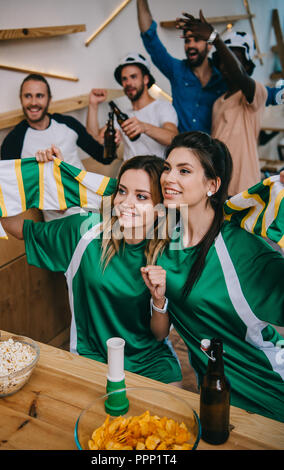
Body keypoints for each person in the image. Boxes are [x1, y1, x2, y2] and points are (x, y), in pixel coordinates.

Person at [0, 152, 183, 386]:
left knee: (177, 418)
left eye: (141, 196)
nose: (125, 203)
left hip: (152, 363)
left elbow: (160, 334)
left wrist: (158, 299)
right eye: (122, 191)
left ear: (159, 208)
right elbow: (19, 228)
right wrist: (9, 184)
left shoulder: (171, 254)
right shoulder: (85, 232)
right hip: (93, 358)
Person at [140, 131, 284, 423]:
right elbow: (160, 333)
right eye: (167, 168)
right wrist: (158, 300)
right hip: (215, 395)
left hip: (267, 387)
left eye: (184, 171)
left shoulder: (242, 247)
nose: (168, 178)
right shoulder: (163, 243)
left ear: (212, 185)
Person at [136, 0, 283, 135]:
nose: (191, 45)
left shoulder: (224, 75)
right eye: (187, 40)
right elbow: (150, 38)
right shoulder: (177, 70)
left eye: (197, 39)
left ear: (209, 44)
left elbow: (263, 94)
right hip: (180, 153)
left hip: (212, 158)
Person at [0, 74, 117, 221]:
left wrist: (113, 144)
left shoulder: (68, 124)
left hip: (89, 208)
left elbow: (103, 157)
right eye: (28, 96)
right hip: (57, 221)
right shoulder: (13, 142)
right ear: (21, 99)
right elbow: (11, 190)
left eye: (40, 96)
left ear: (49, 98)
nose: (34, 102)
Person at [176, 13, 267, 195]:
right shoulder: (218, 102)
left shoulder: (254, 93)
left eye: (235, 59)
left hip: (246, 187)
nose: (227, 64)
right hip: (219, 187)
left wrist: (215, 39)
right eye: (224, 60)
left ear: (247, 66)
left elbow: (240, 76)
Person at [86, 52, 178, 161]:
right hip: (129, 174)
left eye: (133, 77)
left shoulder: (163, 107)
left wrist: (144, 127)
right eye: (124, 79)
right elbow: (95, 138)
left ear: (145, 79)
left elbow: (173, 139)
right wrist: (93, 104)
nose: (128, 83)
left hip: (156, 173)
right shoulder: (122, 115)